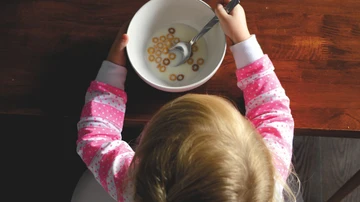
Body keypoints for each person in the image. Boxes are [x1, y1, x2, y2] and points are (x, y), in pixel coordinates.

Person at [76, 1, 299, 201]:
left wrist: (113, 69)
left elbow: (96, 137)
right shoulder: (268, 176)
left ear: (145, 157)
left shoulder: (132, 184)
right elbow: (273, 110)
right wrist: (242, 39)